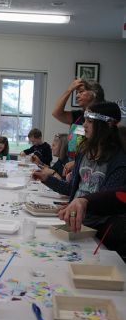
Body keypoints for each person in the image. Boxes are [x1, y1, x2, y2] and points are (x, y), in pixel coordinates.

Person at [33, 101, 126, 229]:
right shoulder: (83, 153)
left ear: (108, 124)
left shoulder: (119, 161)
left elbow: (109, 200)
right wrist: (46, 179)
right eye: (84, 120)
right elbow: (71, 189)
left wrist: (82, 203)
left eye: (90, 121)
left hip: (98, 229)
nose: (84, 125)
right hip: (73, 221)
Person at [58, 187, 126, 261]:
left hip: (102, 228)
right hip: (83, 224)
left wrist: (86, 201)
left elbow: (116, 198)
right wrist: (82, 201)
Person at [52, 78, 105, 173]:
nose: (77, 95)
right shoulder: (79, 115)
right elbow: (56, 113)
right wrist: (69, 90)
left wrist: (77, 163)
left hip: (88, 168)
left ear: (94, 94)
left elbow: (102, 150)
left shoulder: (102, 118)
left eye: (81, 92)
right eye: (76, 92)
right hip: (72, 166)